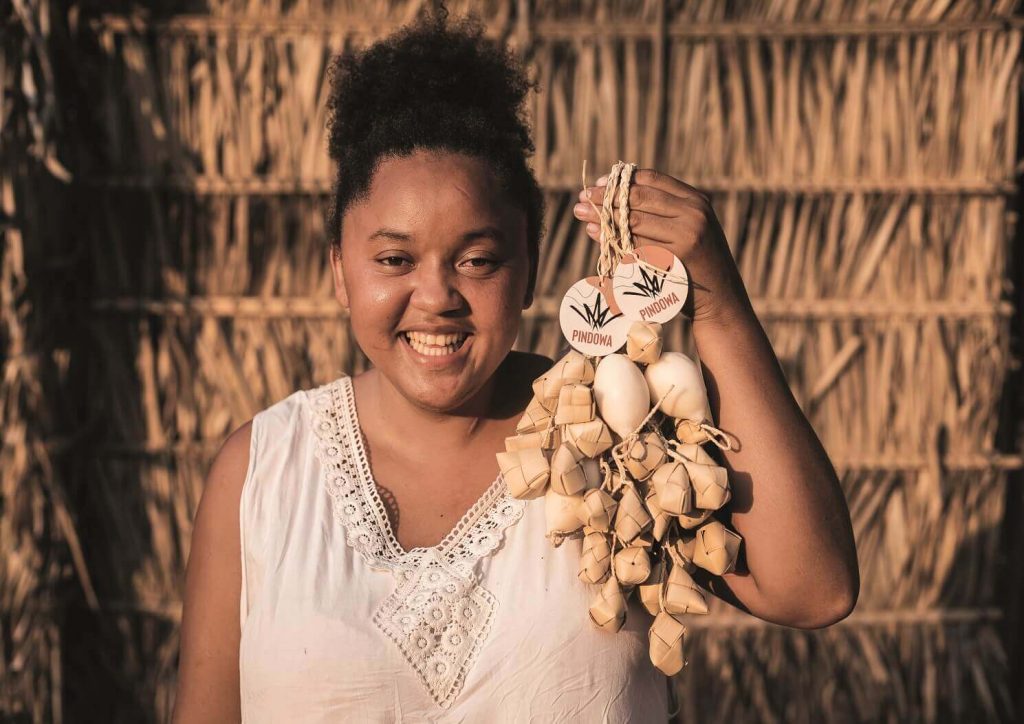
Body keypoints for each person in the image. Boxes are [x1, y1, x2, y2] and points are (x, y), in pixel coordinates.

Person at [172, 9, 859, 723]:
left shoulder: (617, 432)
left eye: (477, 260)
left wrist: (716, 303)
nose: (436, 296)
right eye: (394, 260)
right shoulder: (262, 474)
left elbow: (817, 591)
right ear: (340, 273)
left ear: (527, 269)